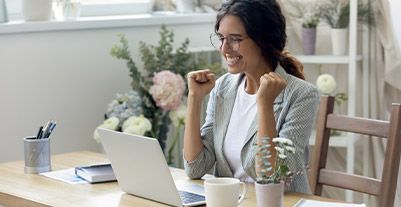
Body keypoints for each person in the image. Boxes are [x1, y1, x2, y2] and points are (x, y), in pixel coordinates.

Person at [183, 0, 319, 193]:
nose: (224, 48)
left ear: (263, 41)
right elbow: (194, 168)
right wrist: (194, 99)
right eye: (221, 38)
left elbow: (271, 176)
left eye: (235, 39)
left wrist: (264, 105)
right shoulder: (223, 87)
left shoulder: (302, 95)